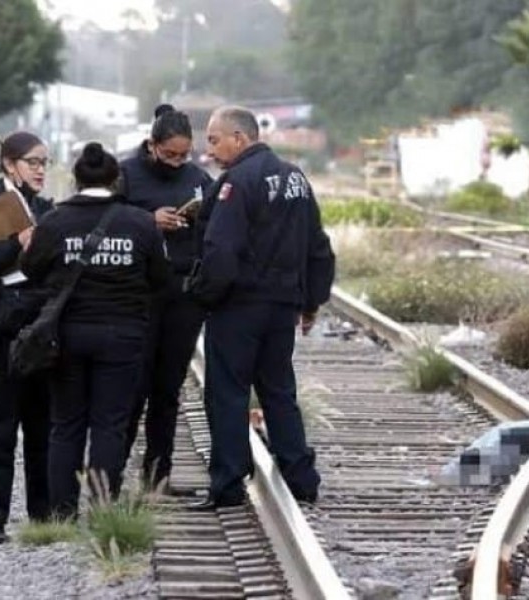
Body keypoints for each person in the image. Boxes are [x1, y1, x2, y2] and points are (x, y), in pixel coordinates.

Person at [189, 106, 335, 508]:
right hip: (282, 307)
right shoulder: (296, 179)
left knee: (228, 393)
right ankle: (301, 479)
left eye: (215, 139)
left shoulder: (237, 182)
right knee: (279, 391)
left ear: (240, 138)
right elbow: (317, 246)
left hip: (240, 307)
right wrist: (311, 302)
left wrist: (203, 296)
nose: (210, 148)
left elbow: (221, 249)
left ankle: (228, 484)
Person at [20, 142, 168, 519]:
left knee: (66, 424)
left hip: (67, 336)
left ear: (76, 178)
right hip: (123, 335)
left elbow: (33, 270)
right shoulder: (140, 222)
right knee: (110, 424)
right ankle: (103, 509)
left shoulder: (54, 221)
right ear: (115, 179)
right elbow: (160, 279)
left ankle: (62, 513)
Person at [120, 104, 213, 491]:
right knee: (132, 386)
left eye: (183, 155)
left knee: (167, 387)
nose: (176, 163)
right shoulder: (125, 175)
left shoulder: (198, 178)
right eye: (169, 154)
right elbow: (102, 217)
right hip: (137, 292)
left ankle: (158, 474)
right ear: (151, 145)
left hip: (182, 294)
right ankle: (108, 475)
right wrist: (148, 220)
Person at [0, 132, 53, 542]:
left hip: (40, 323)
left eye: (45, 161)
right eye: (33, 162)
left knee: (42, 422)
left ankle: (41, 513)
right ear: (10, 165)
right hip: (3, 325)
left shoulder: (46, 207)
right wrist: (17, 243)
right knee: (3, 424)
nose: (41, 169)